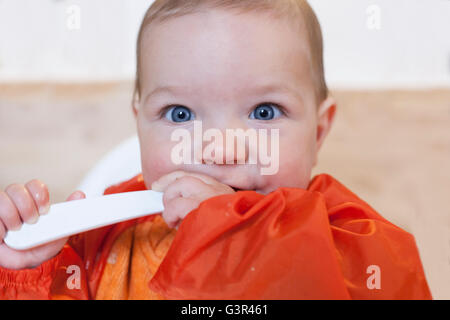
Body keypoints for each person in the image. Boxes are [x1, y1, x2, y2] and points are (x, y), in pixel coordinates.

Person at [0, 0, 432, 299]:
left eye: (264, 112)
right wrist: (26, 274)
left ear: (318, 132)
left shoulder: (352, 240)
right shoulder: (101, 238)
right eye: (180, 114)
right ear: (139, 124)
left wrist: (232, 234)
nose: (221, 150)